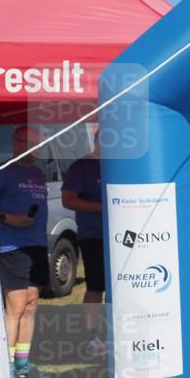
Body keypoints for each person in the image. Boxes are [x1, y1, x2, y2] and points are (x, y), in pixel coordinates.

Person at [0, 126, 50, 378]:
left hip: (37, 246)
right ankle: (5, 370)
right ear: (16, 142)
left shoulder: (38, 173)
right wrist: (7, 218)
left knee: (31, 305)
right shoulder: (4, 171)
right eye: (28, 142)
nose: (33, 148)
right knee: (15, 307)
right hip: (11, 246)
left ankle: (22, 366)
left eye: (37, 144)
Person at [62, 131, 107, 355]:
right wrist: (103, 207)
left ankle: (117, 332)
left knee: (121, 286)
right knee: (96, 286)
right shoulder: (82, 167)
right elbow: (68, 199)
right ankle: (92, 337)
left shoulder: (123, 165)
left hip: (123, 236)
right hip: (94, 235)